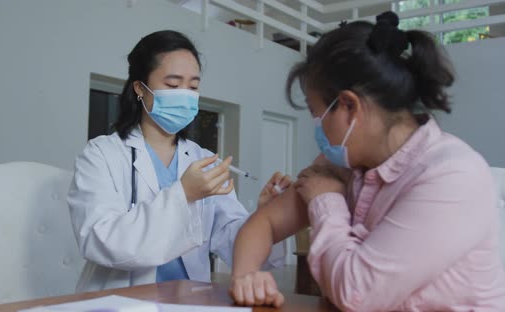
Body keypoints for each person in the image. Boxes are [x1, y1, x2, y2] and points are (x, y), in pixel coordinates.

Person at [228, 12, 505, 311]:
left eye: (317, 115)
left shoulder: (451, 176)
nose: (318, 129)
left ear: (349, 106)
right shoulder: (345, 162)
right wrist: (246, 277)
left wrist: (326, 201)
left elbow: (357, 294)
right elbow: (263, 224)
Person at [67, 30, 287, 292]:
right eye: (172, 85)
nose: (184, 94)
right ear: (140, 88)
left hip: (189, 300)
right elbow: (100, 240)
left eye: (193, 87)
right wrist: (184, 194)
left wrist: (267, 216)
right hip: (122, 301)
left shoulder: (202, 160)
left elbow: (233, 243)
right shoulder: (101, 154)